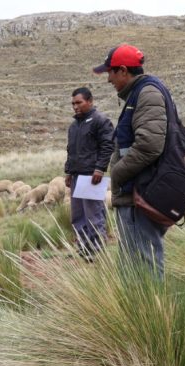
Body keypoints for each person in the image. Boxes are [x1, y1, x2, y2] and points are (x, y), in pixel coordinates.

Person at [93, 43, 171, 276]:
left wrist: (116, 173)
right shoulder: (138, 94)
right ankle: (136, 310)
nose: (108, 79)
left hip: (141, 193)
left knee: (144, 262)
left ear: (124, 70)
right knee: (132, 262)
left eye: (110, 72)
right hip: (134, 192)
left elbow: (149, 145)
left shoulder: (147, 94)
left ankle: (151, 311)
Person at [64, 87, 114, 260]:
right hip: (77, 176)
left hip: (92, 176)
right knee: (78, 215)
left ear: (90, 101)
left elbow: (108, 146)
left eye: (79, 102)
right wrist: (69, 172)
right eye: (73, 104)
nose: (75, 106)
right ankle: (83, 247)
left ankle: (97, 249)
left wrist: (100, 168)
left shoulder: (100, 120)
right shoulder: (74, 126)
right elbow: (71, 151)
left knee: (94, 214)